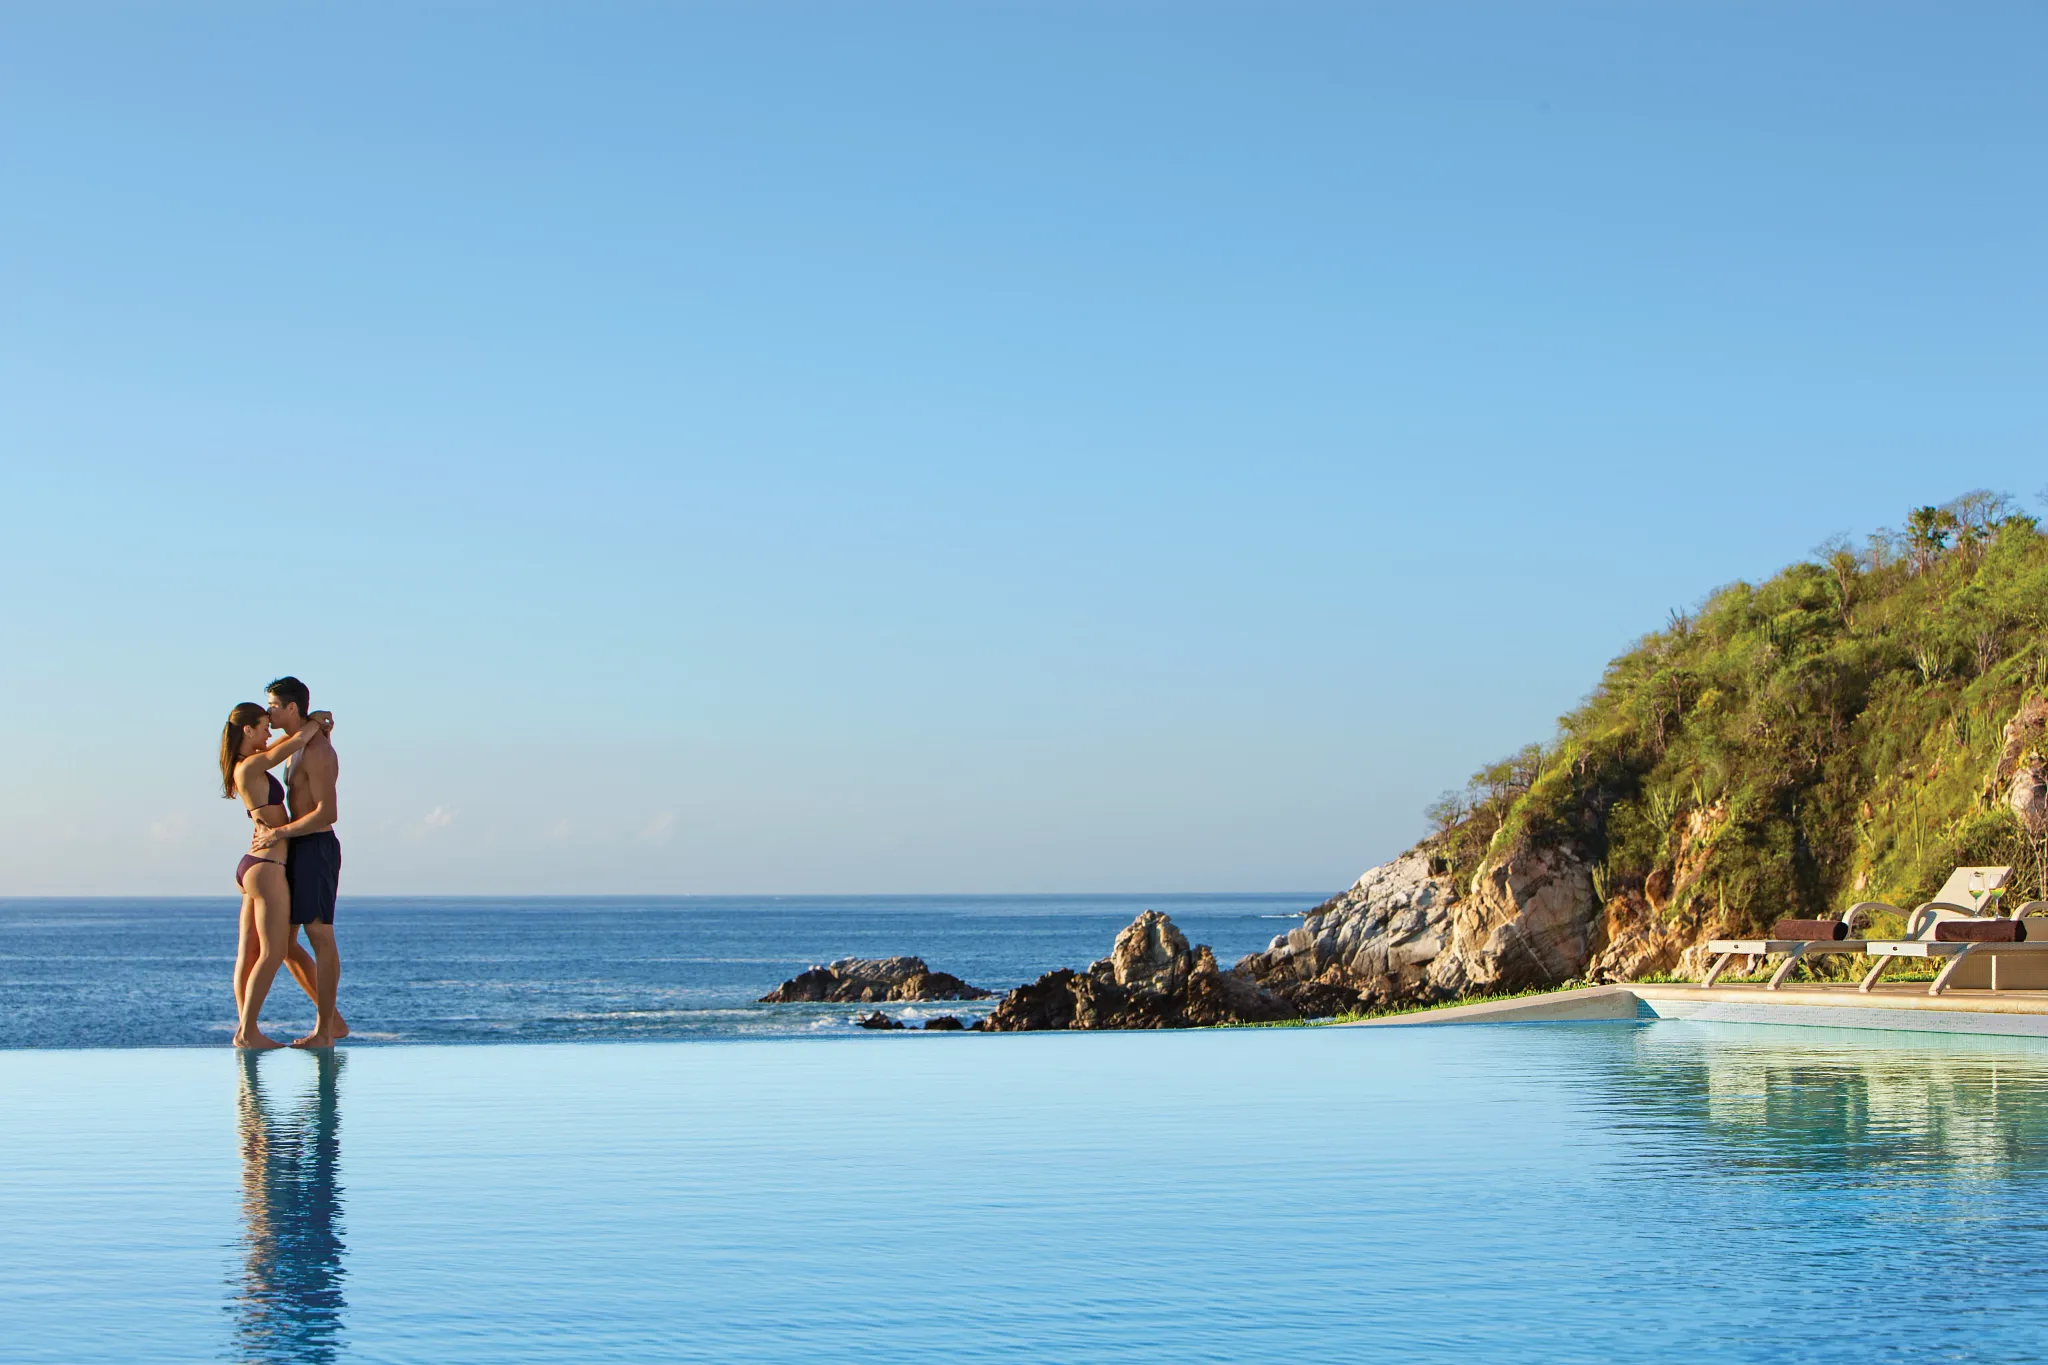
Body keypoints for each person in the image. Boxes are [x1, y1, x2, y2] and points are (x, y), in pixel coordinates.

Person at [222, 701, 334, 1049]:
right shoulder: (252, 766)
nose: (269, 731)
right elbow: (293, 745)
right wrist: (315, 721)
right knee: (272, 952)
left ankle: (245, 1026)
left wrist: (314, 726)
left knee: (249, 953)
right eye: (263, 725)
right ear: (248, 730)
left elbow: (282, 746)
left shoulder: (246, 764)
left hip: (252, 865)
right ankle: (247, 1032)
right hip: (269, 866)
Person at [252, 675, 347, 1049]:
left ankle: (325, 1031)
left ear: (292, 707)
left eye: (273, 706)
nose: (268, 712)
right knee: (285, 943)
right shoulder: (297, 744)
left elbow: (328, 813)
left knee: (320, 936)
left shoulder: (318, 749)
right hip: (296, 848)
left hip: (316, 847)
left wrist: (279, 833)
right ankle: (333, 1022)